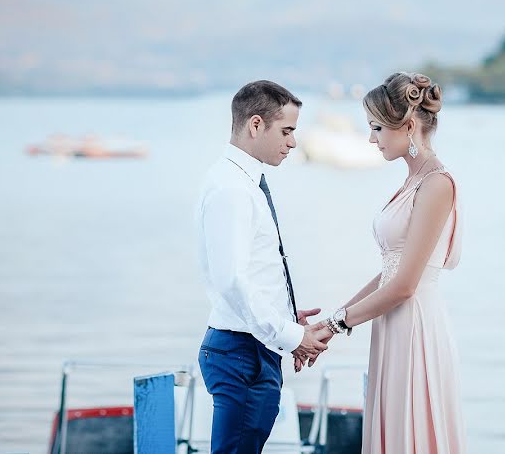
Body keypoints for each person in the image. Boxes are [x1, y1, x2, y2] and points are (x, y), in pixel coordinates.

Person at [308, 72, 466, 453]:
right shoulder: (412, 181)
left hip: (415, 328)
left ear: (408, 126)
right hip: (392, 324)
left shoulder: (436, 184)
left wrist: (336, 324)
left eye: (376, 127)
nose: (371, 138)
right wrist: (332, 319)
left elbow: (405, 284)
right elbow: (389, 272)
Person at [197, 80, 331, 453]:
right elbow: (232, 281)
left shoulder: (243, 183)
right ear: (256, 125)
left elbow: (250, 272)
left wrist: (286, 314)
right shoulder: (232, 190)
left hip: (251, 348)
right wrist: (292, 336)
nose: (292, 143)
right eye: (286, 131)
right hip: (242, 352)